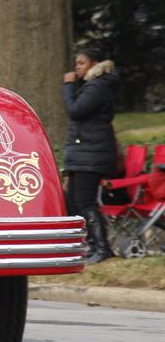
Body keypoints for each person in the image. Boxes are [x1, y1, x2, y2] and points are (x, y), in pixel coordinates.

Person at [62, 48, 120, 263]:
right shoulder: (92, 86)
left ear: (95, 64)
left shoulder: (98, 86)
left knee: (85, 202)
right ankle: (89, 246)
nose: (77, 67)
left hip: (91, 153)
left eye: (82, 63)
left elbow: (75, 111)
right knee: (72, 202)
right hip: (84, 152)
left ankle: (103, 248)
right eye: (76, 63)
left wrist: (68, 86)